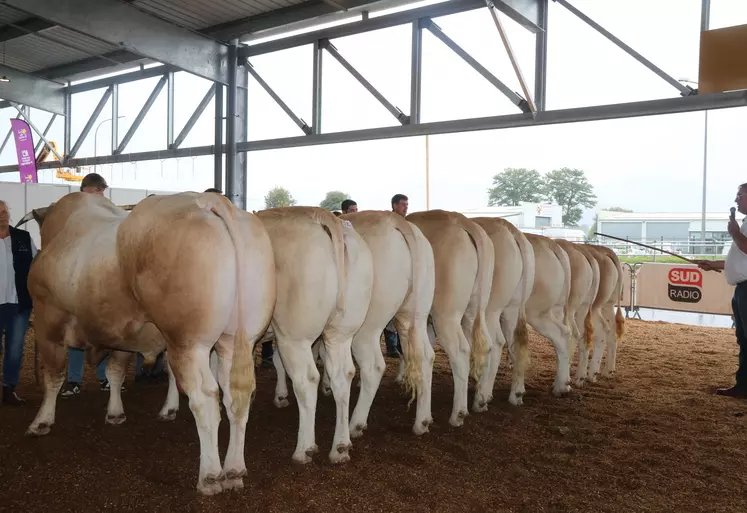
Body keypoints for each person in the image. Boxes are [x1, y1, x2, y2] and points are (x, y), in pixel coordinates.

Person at [60, 173, 120, 397]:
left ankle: (104, 377)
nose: (100, 194)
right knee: (76, 332)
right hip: (76, 281)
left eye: (102, 191)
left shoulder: (109, 212)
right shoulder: (71, 212)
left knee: (104, 332)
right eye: (96, 190)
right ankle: (74, 380)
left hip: (102, 280)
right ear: (84, 190)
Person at [694, 182, 747, 397]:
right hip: (742, 288)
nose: (736, 200)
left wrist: (734, 233)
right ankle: (743, 386)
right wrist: (713, 264)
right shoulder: (744, 224)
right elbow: (739, 259)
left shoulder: (740, 228)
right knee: (743, 339)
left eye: (740, 195)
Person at [0, 200, 37, 405]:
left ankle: (9, 388)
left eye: (4, 211)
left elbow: (36, 266)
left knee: (15, 349)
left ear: (9, 214)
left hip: (18, 303)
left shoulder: (23, 238)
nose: (2, 216)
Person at [383, 194, 408, 358]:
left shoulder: (407, 223)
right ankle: (392, 345)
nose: (406, 207)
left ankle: (398, 344)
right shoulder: (388, 221)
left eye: (407, 204)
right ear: (394, 205)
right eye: (402, 205)